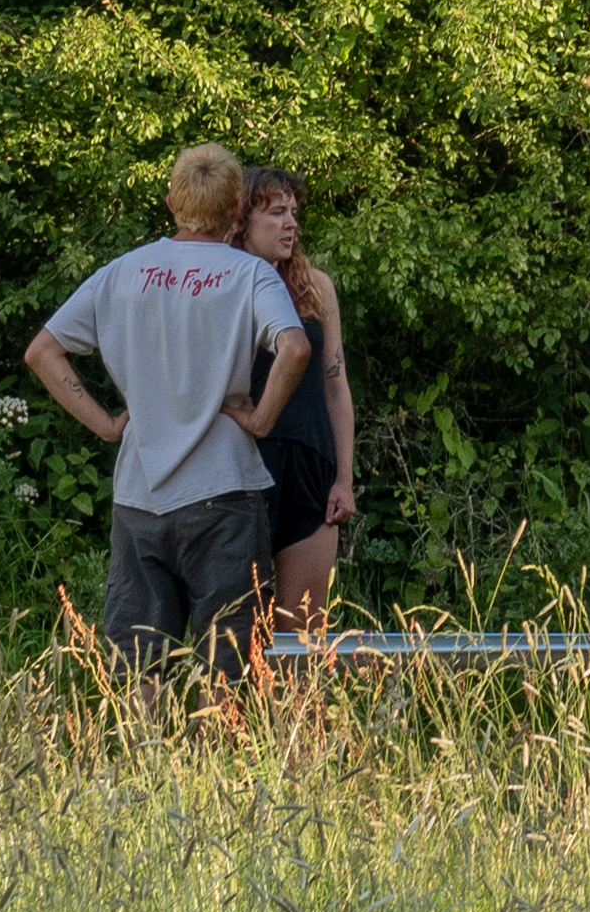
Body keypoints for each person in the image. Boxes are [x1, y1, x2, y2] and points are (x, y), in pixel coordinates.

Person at [23, 143, 309, 677]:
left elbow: (42, 351)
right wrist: (260, 420)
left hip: (139, 495)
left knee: (138, 661)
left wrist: (107, 425)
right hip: (224, 491)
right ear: (233, 211)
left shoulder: (122, 274)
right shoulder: (249, 275)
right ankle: (215, 754)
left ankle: (144, 758)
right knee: (225, 658)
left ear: (172, 203)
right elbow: (294, 347)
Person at [238, 165, 357, 624]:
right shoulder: (222, 284)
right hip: (245, 464)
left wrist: (343, 478)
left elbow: (335, 386)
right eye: (276, 213)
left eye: (294, 212)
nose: (291, 224)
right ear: (242, 219)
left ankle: (301, 701)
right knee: (239, 630)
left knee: (302, 631)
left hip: (311, 464)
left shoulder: (316, 287)